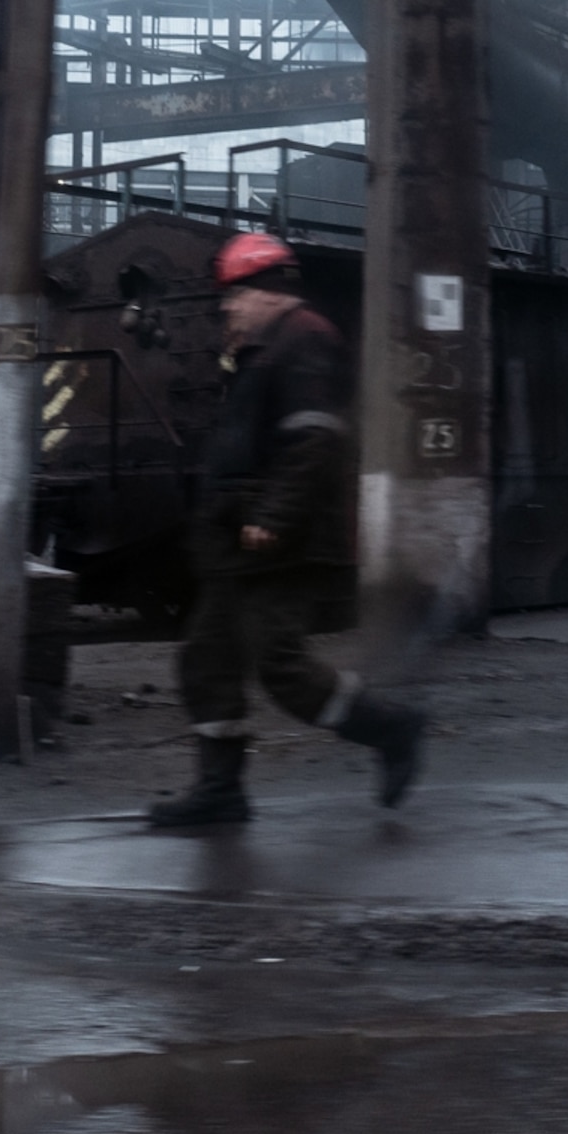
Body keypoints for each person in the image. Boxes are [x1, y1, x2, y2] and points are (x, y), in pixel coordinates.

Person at [146, 231, 428, 827]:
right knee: (206, 660)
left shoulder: (305, 341)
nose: (229, 306)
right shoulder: (264, 347)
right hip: (240, 541)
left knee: (281, 666)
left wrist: (273, 517)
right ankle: (219, 790)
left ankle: (393, 730)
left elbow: (315, 438)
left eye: (238, 294)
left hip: (279, 541)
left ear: (271, 292)